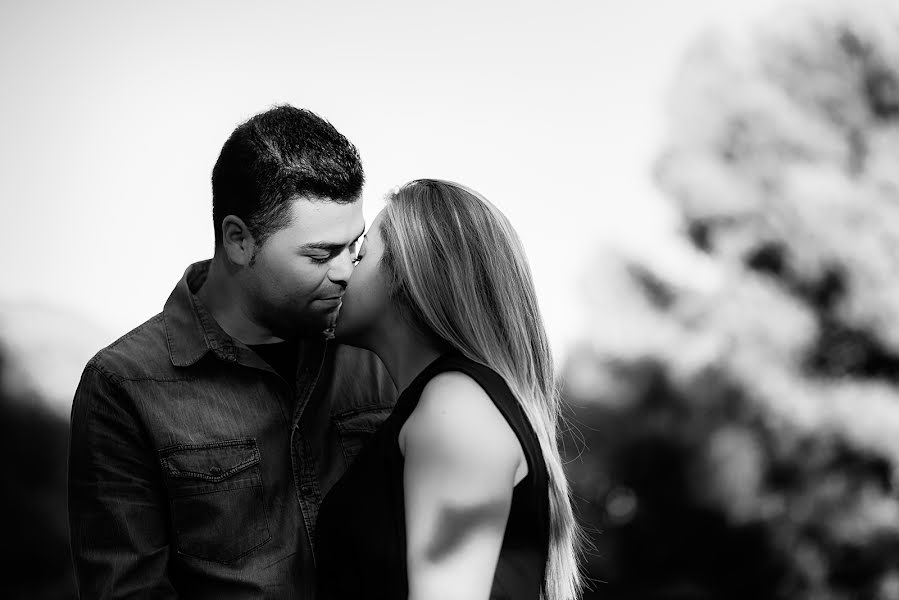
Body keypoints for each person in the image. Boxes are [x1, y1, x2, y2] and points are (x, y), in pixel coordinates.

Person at [67, 105, 396, 599]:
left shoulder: (376, 354)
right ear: (239, 240)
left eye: (356, 246)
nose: (347, 270)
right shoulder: (122, 386)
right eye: (321, 253)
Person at [315, 179, 585, 600]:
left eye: (362, 253)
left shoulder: (455, 407)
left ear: (409, 272)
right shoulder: (447, 402)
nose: (342, 271)